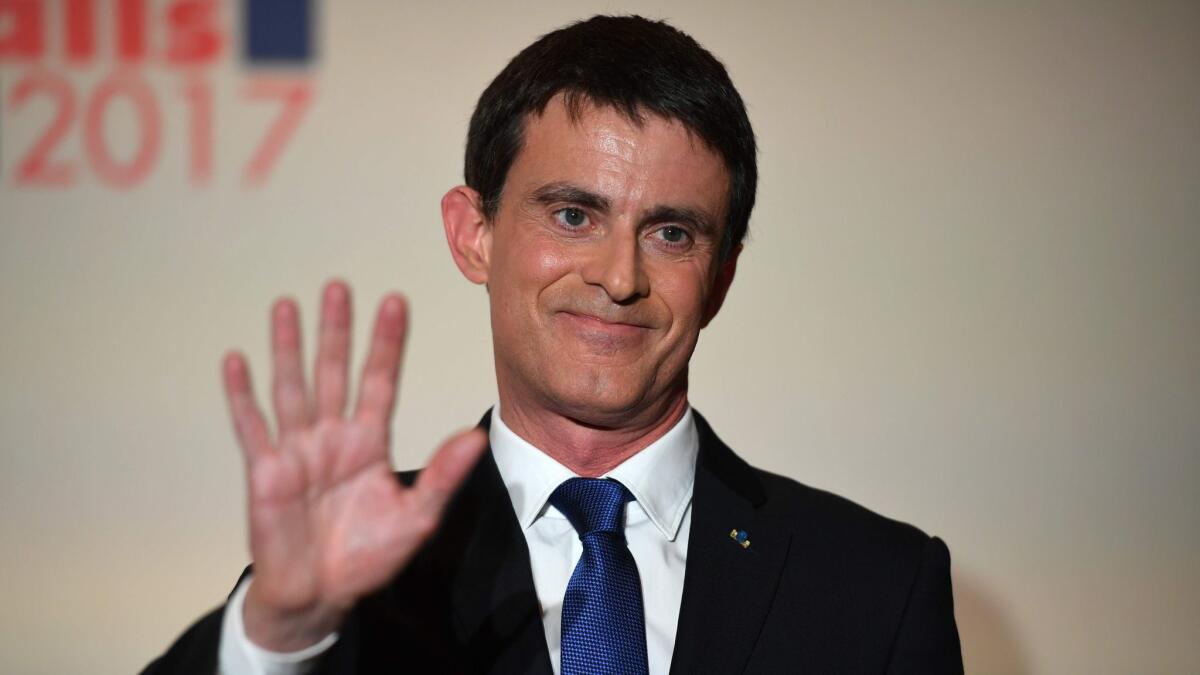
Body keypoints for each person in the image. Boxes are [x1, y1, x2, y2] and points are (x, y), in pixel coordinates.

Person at [144, 14, 963, 675]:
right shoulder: (340, 578)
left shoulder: (877, 583)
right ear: (474, 234)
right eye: (573, 215)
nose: (619, 276)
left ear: (720, 277)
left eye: (672, 233)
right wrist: (277, 634)